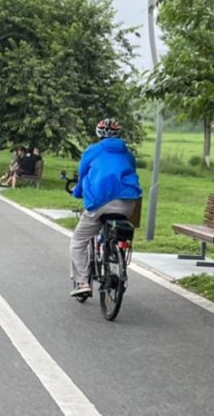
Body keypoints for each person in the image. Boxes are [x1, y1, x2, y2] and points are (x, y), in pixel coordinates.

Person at [69, 119, 143, 297]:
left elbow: (83, 174)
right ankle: (113, 252)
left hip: (101, 201)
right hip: (127, 202)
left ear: (98, 134)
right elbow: (132, 171)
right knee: (114, 226)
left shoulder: (93, 150)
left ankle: (82, 283)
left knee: (78, 241)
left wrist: (78, 192)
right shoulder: (127, 153)